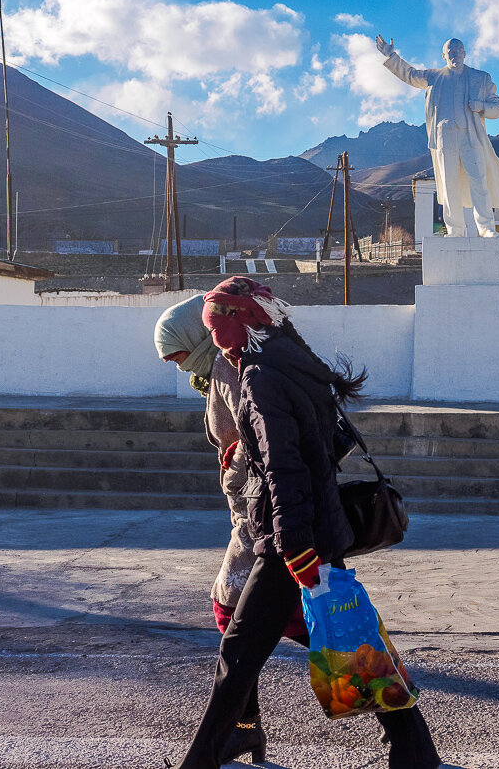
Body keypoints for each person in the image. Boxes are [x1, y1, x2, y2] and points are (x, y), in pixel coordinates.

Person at [170, 276, 441, 769]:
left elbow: (283, 466)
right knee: (348, 643)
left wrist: (293, 545)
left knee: (241, 654)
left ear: (234, 326)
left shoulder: (259, 376)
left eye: (214, 329)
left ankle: (202, 761)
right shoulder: (293, 359)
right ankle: (415, 751)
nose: (211, 339)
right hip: (315, 527)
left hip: (291, 539)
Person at [154, 295, 306, 765]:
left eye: (176, 353)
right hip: (261, 514)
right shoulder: (225, 367)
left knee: (240, 618)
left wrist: (238, 462)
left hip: (265, 517)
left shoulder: (234, 368)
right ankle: (242, 730)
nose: (176, 365)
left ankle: (233, 735)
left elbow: (263, 438)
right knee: (273, 622)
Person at [376, 34, 499, 238]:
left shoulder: (481, 78)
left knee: (479, 182)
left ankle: (486, 228)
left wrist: (482, 107)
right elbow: (410, 74)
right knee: (449, 185)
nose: (454, 54)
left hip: (470, 136)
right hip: (444, 137)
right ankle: (455, 229)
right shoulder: (433, 77)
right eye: (450, 51)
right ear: (443, 55)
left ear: (465, 53)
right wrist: (391, 56)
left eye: (458, 50)